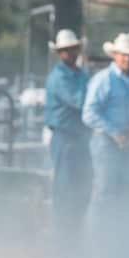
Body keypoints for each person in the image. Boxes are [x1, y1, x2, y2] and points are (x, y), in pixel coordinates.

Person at [82, 32, 129, 234]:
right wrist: (114, 132)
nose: (127, 58)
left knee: (122, 190)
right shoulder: (104, 79)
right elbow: (89, 113)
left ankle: (113, 238)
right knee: (105, 191)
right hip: (105, 142)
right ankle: (96, 240)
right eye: (123, 54)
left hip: (125, 141)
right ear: (115, 55)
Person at [44, 30, 92, 240]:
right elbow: (80, 101)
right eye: (65, 51)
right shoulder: (60, 77)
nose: (69, 53)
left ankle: (71, 236)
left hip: (79, 137)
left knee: (82, 186)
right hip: (65, 136)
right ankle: (63, 238)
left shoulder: (81, 74)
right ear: (59, 53)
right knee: (65, 188)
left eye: (72, 49)